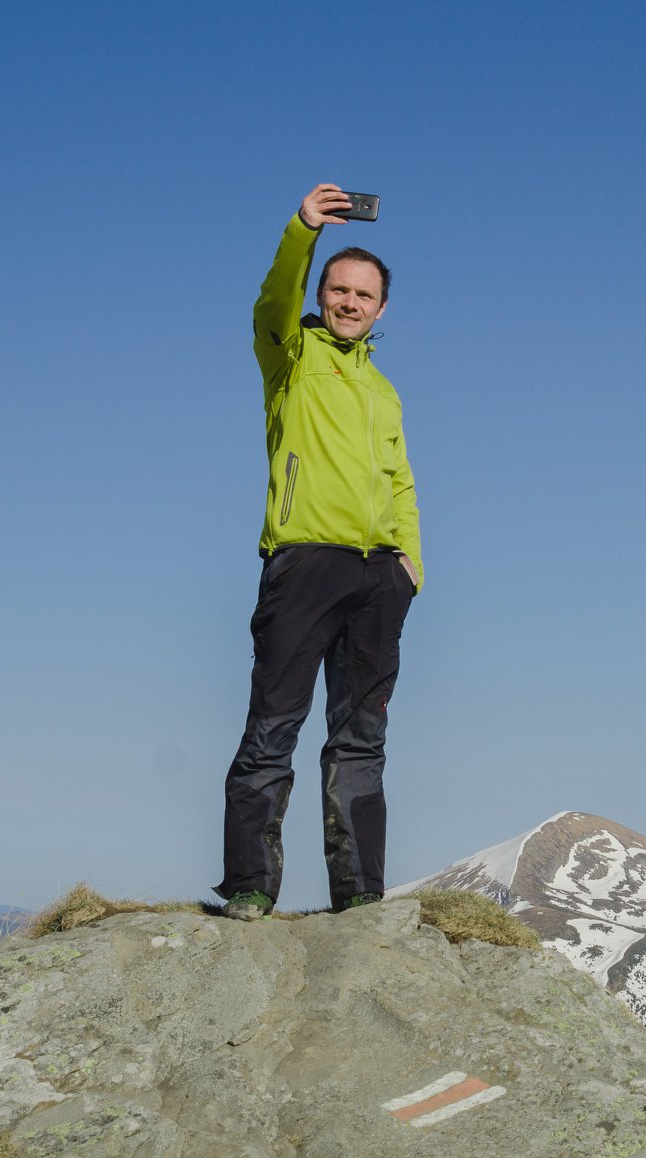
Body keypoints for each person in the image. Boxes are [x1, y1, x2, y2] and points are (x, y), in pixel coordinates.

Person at [216, 183, 424, 921]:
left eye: (363, 294)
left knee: (362, 738)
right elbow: (272, 300)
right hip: (304, 562)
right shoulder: (290, 353)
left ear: (381, 308)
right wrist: (302, 232)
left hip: (380, 575)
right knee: (274, 726)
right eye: (339, 289)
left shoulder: (384, 390)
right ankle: (250, 886)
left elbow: (399, 479)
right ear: (322, 293)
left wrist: (409, 565)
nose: (349, 302)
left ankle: (359, 894)